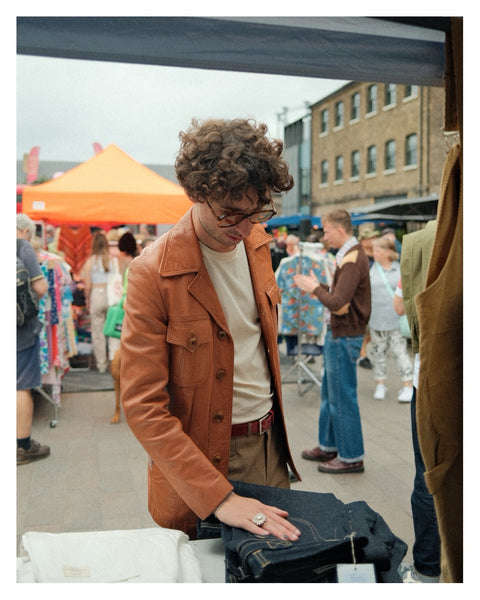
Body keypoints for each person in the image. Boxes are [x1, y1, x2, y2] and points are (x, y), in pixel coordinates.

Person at [120, 118, 301, 542]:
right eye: (229, 215)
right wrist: (219, 498)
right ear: (196, 193)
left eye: (256, 211)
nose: (243, 227)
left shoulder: (257, 243)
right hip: (200, 462)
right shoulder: (153, 272)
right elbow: (143, 406)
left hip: (270, 445)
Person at [294, 209, 371, 474]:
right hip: (342, 335)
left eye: (326, 231)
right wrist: (319, 287)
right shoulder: (351, 254)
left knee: (341, 397)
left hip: (344, 335)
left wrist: (313, 288)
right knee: (331, 393)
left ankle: (351, 457)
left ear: (339, 229)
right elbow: (340, 298)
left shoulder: (351, 259)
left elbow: (338, 305)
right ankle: (329, 446)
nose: (324, 237)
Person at [394, 221, 441, 583]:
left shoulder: (426, 241)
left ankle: (427, 570)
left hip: (434, 376)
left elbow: (403, 309)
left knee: (428, 476)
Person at [17, 214, 50, 465]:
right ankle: (23, 446)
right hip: (20, 329)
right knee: (21, 386)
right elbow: (40, 288)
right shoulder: (22, 247)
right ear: (26, 231)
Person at [369, 236, 413, 402]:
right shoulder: (371, 269)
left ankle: (407, 386)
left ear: (387, 252)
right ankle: (380, 384)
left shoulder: (400, 269)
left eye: (377, 250)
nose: (374, 253)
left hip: (396, 320)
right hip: (376, 319)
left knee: (400, 353)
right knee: (378, 353)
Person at [82, 232, 119, 373]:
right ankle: (114, 362)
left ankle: (101, 365)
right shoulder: (113, 260)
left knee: (98, 333)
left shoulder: (90, 261)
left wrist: (87, 300)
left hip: (96, 295)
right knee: (112, 331)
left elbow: (87, 286)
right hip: (111, 297)